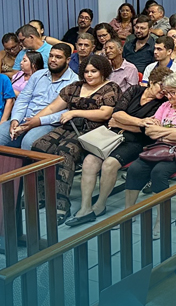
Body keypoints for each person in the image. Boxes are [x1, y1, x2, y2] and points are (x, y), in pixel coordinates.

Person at [66, 66, 171, 227]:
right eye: (161, 87)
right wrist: (139, 121)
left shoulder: (161, 104)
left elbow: (145, 130)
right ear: (152, 82)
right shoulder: (135, 90)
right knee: (89, 161)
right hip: (112, 135)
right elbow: (116, 113)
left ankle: (100, 205)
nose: (164, 92)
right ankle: (85, 208)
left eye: (167, 89)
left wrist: (128, 123)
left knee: (109, 164)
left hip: (136, 141)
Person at [31, 55, 121, 224]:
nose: (89, 75)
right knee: (38, 147)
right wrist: (32, 122)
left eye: (94, 71)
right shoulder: (74, 87)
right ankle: (41, 195)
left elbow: (105, 113)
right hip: (68, 128)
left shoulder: (110, 88)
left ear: (103, 71)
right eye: (86, 71)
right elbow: (52, 107)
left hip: (91, 132)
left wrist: (75, 112)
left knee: (64, 153)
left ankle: (61, 205)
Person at [122, 73, 176, 237]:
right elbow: (149, 131)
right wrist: (171, 132)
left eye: (172, 92)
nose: (168, 96)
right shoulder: (165, 106)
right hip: (162, 149)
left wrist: (161, 132)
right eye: (166, 92)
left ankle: (161, 222)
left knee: (159, 172)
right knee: (135, 168)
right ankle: (128, 213)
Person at [0, 44, 77, 150]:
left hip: (48, 123)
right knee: (1, 134)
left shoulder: (74, 81)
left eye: (58, 57)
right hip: (24, 118)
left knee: (29, 143)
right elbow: (23, 99)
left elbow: (66, 111)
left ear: (68, 60)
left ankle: (26, 167)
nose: (53, 60)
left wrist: (39, 121)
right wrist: (15, 119)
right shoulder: (38, 75)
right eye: (51, 56)